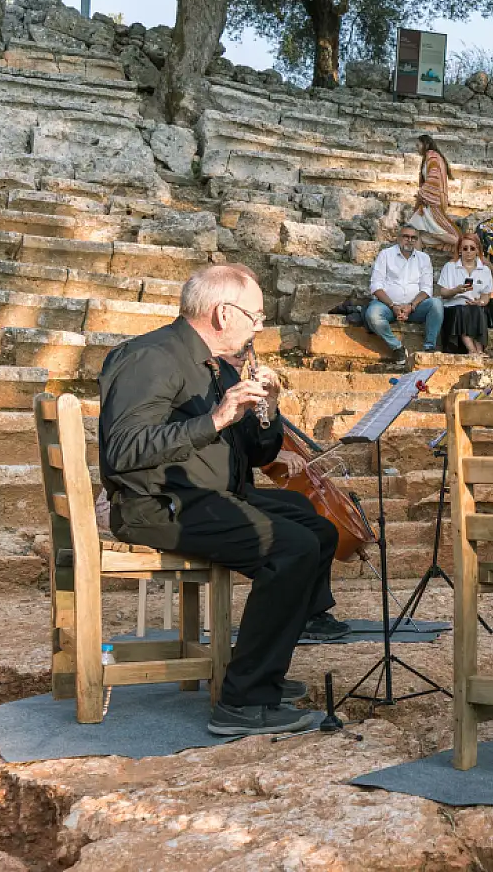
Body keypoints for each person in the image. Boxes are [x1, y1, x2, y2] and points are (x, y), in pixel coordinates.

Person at [99, 264, 344, 736]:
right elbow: (124, 451)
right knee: (291, 547)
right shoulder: (151, 357)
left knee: (313, 525)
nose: (259, 328)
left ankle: (265, 661)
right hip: (155, 504)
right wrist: (215, 418)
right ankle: (244, 701)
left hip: (202, 493)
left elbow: (255, 453)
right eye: (255, 317)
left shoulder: (211, 364)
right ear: (223, 313)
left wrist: (266, 413)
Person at [366, 226, 443, 360]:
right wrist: (392, 306)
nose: (409, 240)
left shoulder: (424, 258)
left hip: (415, 308)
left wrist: (411, 306)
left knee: (436, 304)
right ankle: (397, 347)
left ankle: (429, 347)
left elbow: (427, 288)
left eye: (414, 238)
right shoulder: (385, 254)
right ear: (398, 237)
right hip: (388, 306)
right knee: (373, 314)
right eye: (406, 236)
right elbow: (376, 285)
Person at [437, 235, 493, 355]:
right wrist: (456, 291)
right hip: (453, 308)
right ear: (459, 250)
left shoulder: (485, 270)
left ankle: (479, 350)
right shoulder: (450, 267)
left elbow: (486, 296)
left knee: (477, 308)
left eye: (472, 248)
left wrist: (480, 302)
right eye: (465, 248)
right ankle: (471, 349)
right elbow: (443, 293)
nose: (468, 251)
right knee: (463, 310)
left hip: (474, 307)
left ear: (478, 250)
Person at [408, 135, 463, 249]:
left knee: (438, 232)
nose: (416, 148)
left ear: (426, 145)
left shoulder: (432, 157)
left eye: (418, 145)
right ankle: (416, 262)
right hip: (428, 203)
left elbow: (433, 179)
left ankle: (465, 245)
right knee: (416, 231)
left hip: (431, 202)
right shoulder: (431, 157)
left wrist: (422, 193)